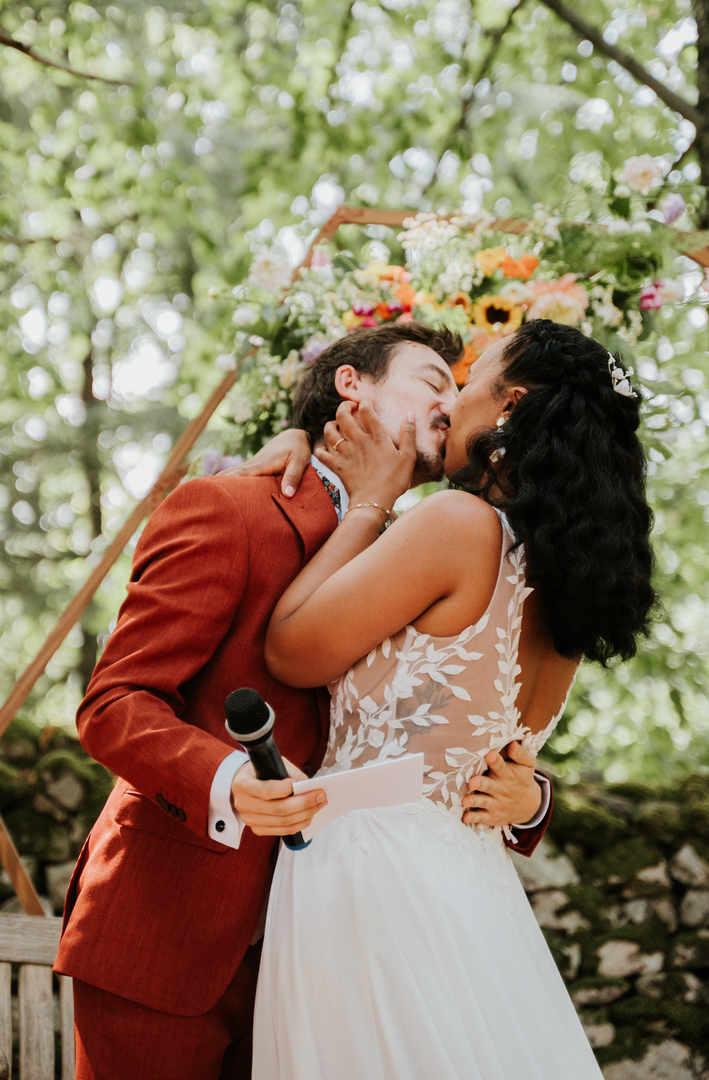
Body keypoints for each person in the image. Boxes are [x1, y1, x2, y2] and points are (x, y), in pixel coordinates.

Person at [53, 322, 553, 1080]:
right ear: (351, 385)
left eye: (459, 390)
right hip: (169, 932)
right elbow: (115, 702)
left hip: (327, 959)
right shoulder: (230, 508)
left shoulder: (428, 548)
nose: (450, 405)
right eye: (431, 381)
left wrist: (531, 798)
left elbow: (442, 714)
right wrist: (230, 779)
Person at [250, 319, 656, 1079]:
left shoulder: (456, 525)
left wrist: (370, 501)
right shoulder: (570, 589)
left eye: (468, 381)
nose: (451, 401)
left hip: (371, 874)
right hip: (473, 888)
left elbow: (290, 650)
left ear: (511, 404)